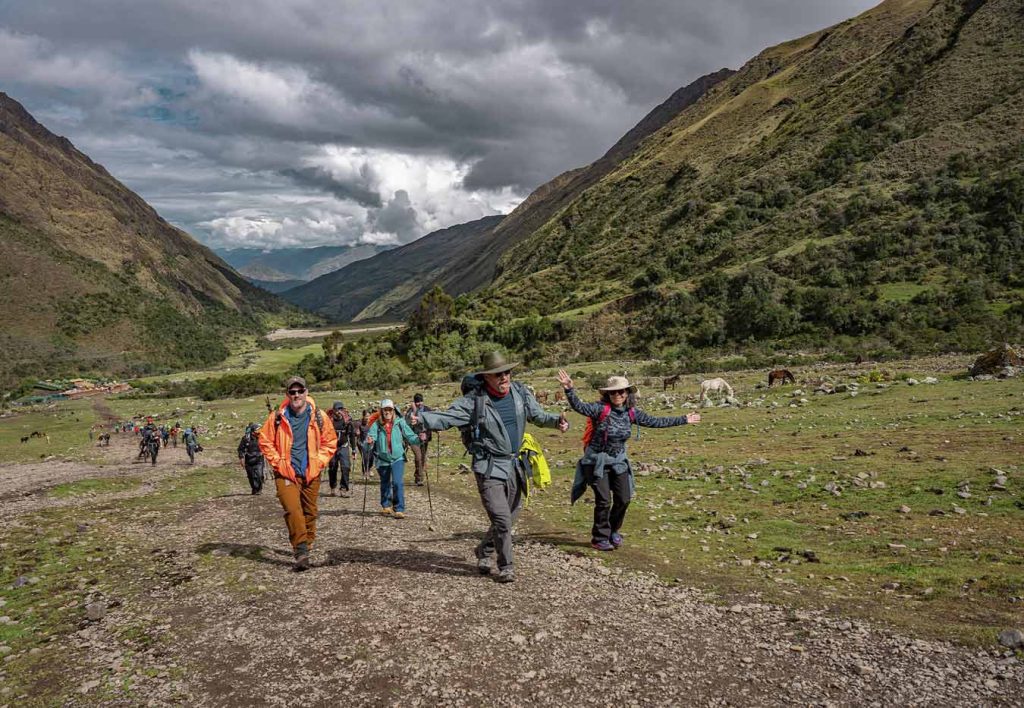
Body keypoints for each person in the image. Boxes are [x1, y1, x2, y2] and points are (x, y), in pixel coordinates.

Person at [413, 351, 569, 583]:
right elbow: (447, 417)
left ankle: (484, 550)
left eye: (506, 372)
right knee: (502, 518)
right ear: (487, 377)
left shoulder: (520, 393)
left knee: (509, 518)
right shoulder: (473, 401)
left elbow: (537, 416)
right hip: (489, 467)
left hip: (515, 465)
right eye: (498, 374)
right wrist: (423, 419)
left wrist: (556, 421)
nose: (504, 377)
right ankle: (506, 566)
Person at [557, 371, 700, 551]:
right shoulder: (600, 409)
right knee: (603, 501)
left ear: (628, 393)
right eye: (613, 392)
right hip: (596, 462)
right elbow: (580, 407)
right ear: (607, 394)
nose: (618, 395)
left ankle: (613, 531)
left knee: (624, 498)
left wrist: (684, 419)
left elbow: (655, 421)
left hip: (618, 462)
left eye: (622, 392)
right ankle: (599, 537)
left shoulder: (631, 413)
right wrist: (569, 389)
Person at [259, 376, 337, 571]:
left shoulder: (319, 416)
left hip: (311, 472)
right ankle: (301, 550)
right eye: (292, 392)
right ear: (287, 395)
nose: (296, 395)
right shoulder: (277, 417)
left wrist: (319, 462)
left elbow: (330, 441)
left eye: (299, 391)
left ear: (306, 392)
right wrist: (278, 463)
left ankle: (307, 543)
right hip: (285, 473)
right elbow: (265, 440)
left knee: (310, 511)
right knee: (293, 510)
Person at [364, 399, 421, 519]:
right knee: (385, 483)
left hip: (398, 457)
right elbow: (369, 440)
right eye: (385, 409)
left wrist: (419, 439)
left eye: (390, 409)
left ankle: (399, 509)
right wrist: (369, 442)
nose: (387, 412)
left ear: (393, 410)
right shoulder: (376, 425)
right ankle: (386, 506)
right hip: (383, 458)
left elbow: (410, 436)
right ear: (382, 411)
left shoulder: (400, 422)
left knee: (397, 482)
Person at [327, 402, 357, 497]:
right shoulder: (330, 421)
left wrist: (353, 450)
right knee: (332, 466)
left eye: (341, 409)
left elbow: (352, 435)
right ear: (334, 410)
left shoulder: (347, 421)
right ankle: (333, 486)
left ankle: (343, 488)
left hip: (344, 446)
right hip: (332, 447)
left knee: (346, 467)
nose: (339, 411)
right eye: (337, 409)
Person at [404, 393, 433, 486]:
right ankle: (420, 479)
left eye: (420, 401)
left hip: (425, 437)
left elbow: (432, 421)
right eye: (417, 402)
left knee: (422, 458)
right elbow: (406, 422)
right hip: (413, 438)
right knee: (418, 457)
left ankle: (417, 475)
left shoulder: (427, 410)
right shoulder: (411, 410)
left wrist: (436, 430)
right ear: (414, 402)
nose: (419, 403)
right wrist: (413, 411)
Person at [237, 423, 265, 495]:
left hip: (259, 459)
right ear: (252, 432)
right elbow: (240, 449)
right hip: (249, 460)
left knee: (259, 475)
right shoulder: (246, 439)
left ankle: (259, 489)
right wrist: (241, 458)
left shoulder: (262, 437)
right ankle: (254, 489)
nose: (259, 432)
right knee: (251, 476)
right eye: (257, 430)